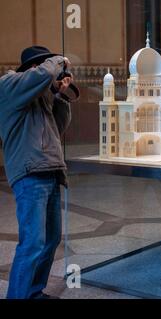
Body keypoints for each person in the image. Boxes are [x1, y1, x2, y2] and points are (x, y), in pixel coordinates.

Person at [0, 46, 73, 299]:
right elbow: (41, 75)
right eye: (47, 66)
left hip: (50, 170)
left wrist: (60, 96)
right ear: (35, 67)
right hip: (30, 173)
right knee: (32, 243)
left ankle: (32, 292)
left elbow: (57, 129)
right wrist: (58, 61)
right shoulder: (9, 85)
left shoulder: (41, 95)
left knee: (50, 239)